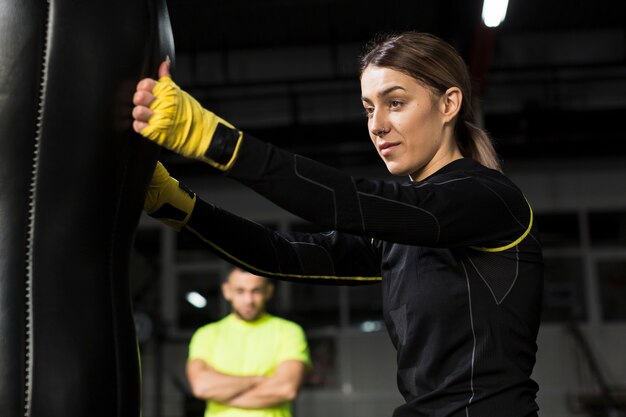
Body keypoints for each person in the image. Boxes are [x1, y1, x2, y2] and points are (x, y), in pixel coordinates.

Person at [132, 31, 544, 417]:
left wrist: (211, 138)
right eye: (368, 108)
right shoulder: (401, 233)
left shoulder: (488, 199)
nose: (377, 125)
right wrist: (177, 206)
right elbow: (282, 255)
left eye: (395, 102)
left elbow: (345, 203)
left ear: (449, 104)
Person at [186, 267, 311, 417]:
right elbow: (202, 387)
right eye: (240, 291)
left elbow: (286, 389)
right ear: (227, 291)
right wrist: (259, 379)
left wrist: (223, 395)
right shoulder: (206, 334)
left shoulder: (289, 331)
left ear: (269, 291)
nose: (248, 300)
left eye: (256, 291)